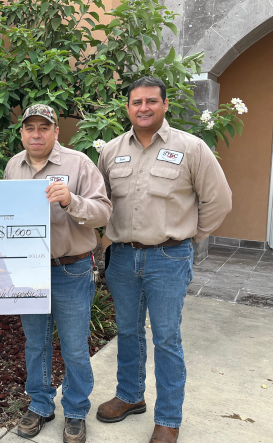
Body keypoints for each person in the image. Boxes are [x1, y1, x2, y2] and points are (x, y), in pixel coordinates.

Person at [96, 76, 232, 443]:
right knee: (127, 332)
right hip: (123, 258)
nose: (143, 108)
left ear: (165, 104)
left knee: (167, 338)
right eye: (136, 102)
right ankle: (130, 395)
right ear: (127, 108)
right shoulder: (110, 151)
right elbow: (101, 201)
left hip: (168, 259)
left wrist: (188, 237)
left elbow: (219, 201)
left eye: (151, 101)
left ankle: (169, 418)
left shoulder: (192, 148)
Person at [4, 104, 112, 443]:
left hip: (71, 270)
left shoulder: (79, 163)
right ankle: (40, 404)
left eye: (43, 127)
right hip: (29, 272)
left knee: (75, 347)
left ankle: (76, 411)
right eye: (30, 128)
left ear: (56, 131)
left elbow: (103, 211)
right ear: (21, 132)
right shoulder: (13, 166)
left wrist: (72, 201)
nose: (36, 134)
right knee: (36, 344)